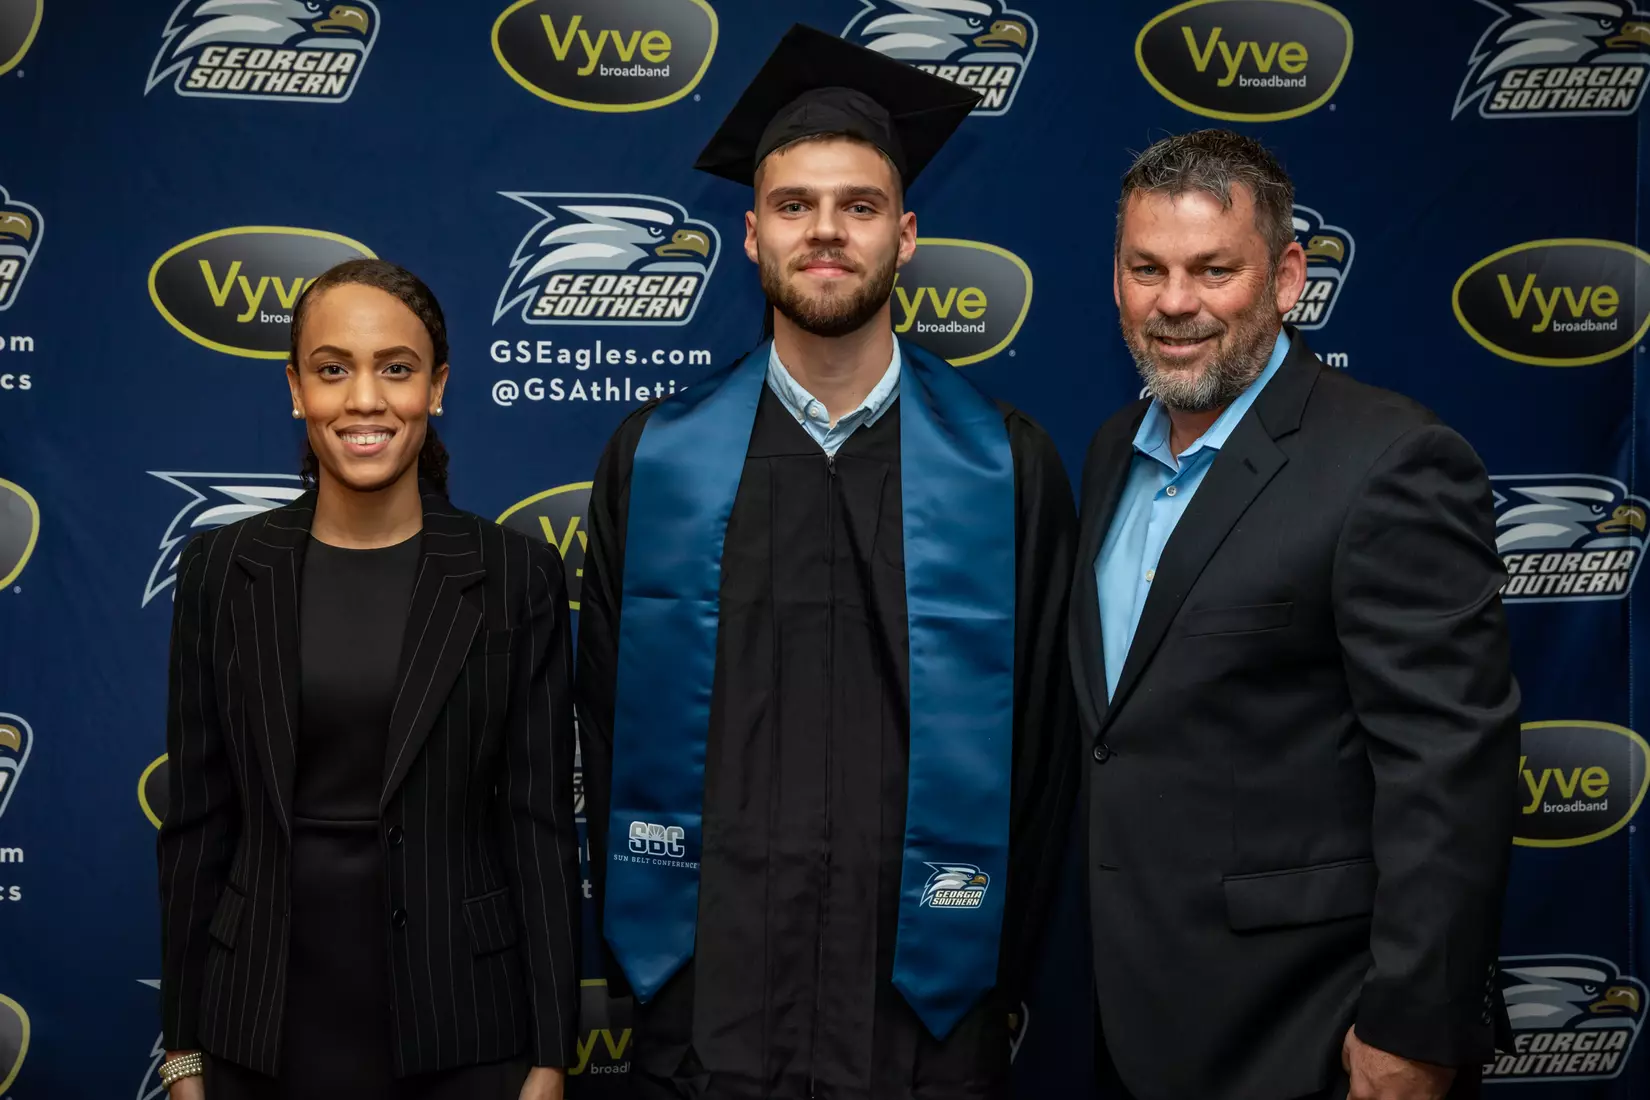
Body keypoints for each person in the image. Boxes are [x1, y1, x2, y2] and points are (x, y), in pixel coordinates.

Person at [574, 24, 1079, 1100]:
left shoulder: (1006, 464)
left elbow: (1041, 754)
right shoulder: (659, 460)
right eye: (795, 204)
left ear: (906, 236)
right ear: (750, 236)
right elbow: (609, 721)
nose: (826, 231)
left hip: (924, 1014)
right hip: (710, 1009)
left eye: (858, 205)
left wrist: (992, 963)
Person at [1071, 129, 1520, 1100]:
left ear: (1285, 279)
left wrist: (1415, 1027)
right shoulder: (1113, 450)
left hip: (1310, 1036)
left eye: (1212, 269)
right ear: (1115, 280)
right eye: (1147, 268)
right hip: (1130, 1018)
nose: (1175, 301)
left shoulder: (1390, 460)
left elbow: (1451, 766)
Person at [156, 259, 580, 1100]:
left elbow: (540, 827)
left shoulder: (514, 575)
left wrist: (550, 1055)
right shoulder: (222, 569)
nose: (364, 401)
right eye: (332, 369)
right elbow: (197, 826)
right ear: (294, 389)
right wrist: (184, 1052)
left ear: (439, 386)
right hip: (258, 1026)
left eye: (396, 368)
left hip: (466, 1025)